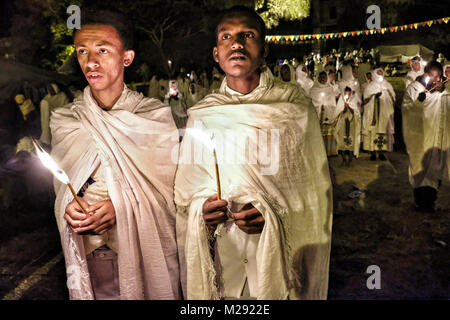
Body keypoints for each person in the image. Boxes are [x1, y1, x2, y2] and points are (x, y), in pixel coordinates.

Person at [174, 6, 332, 300]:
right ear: (216, 54)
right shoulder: (204, 114)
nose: (236, 44)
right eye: (226, 37)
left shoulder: (293, 108)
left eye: (248, 35)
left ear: (264, 49)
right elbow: (186, 195)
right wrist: (202, 212)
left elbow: (312, 194)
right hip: (224, 257)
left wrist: (274, 215)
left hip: (278, 261)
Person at [50, 9, 181, 300]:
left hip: (141, 250)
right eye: (82, 51)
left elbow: (169, 197)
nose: (91, 61)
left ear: (127, 58)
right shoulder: (66, 120)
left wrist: (118, 207)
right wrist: (68, 206)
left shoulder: (153, 118)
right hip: (89, 254)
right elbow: (62, 186)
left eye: (103, 50)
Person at [402, 61, 449, 212]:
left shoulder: (442, 93)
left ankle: (430, 201)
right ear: (425, 74)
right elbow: (407, 109)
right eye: (433, 76)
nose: (436, 80)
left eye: (439, 76)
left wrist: (442, 92)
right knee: (420, 167)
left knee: (435, 168)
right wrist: (418, 102)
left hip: (435, 138)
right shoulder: (414, 89)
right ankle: (420, 200)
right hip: (418, 138)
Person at [362, 68, 396, 160]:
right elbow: (365, 100)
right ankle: (373, 152)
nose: (380, 75)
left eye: (381, 73)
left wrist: (389, 95)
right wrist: (374, 97)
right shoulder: (370, 86)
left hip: (384, 113)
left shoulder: (387, 84)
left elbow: (393, 97)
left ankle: (381, 152)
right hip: (374, 114)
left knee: (383, 131)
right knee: (373, 131)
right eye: (378, 73)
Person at [310, 72, 338, 156]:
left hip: (327, 117)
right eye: (321, 77)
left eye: (324, 77)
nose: (322, 79)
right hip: (317, 118)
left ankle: (328, 153)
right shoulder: (313, 89)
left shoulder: (330, 89)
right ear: (318, 78)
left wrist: (326, 107)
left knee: (327, 136)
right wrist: (319, 106)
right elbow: (311, 104)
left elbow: (333, 103)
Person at [334, 86, 362, 166]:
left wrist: (349, 107)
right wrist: (344, 108)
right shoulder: (341, 101)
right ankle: (343, 159)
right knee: (342, 142)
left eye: (349, 94)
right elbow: (338, 113)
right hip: (342, 124)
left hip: (351, 124)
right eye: (346, 94)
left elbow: (356, 112)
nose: (347, 96)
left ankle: (350, 158)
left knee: (351, 142)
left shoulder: (354, 100)